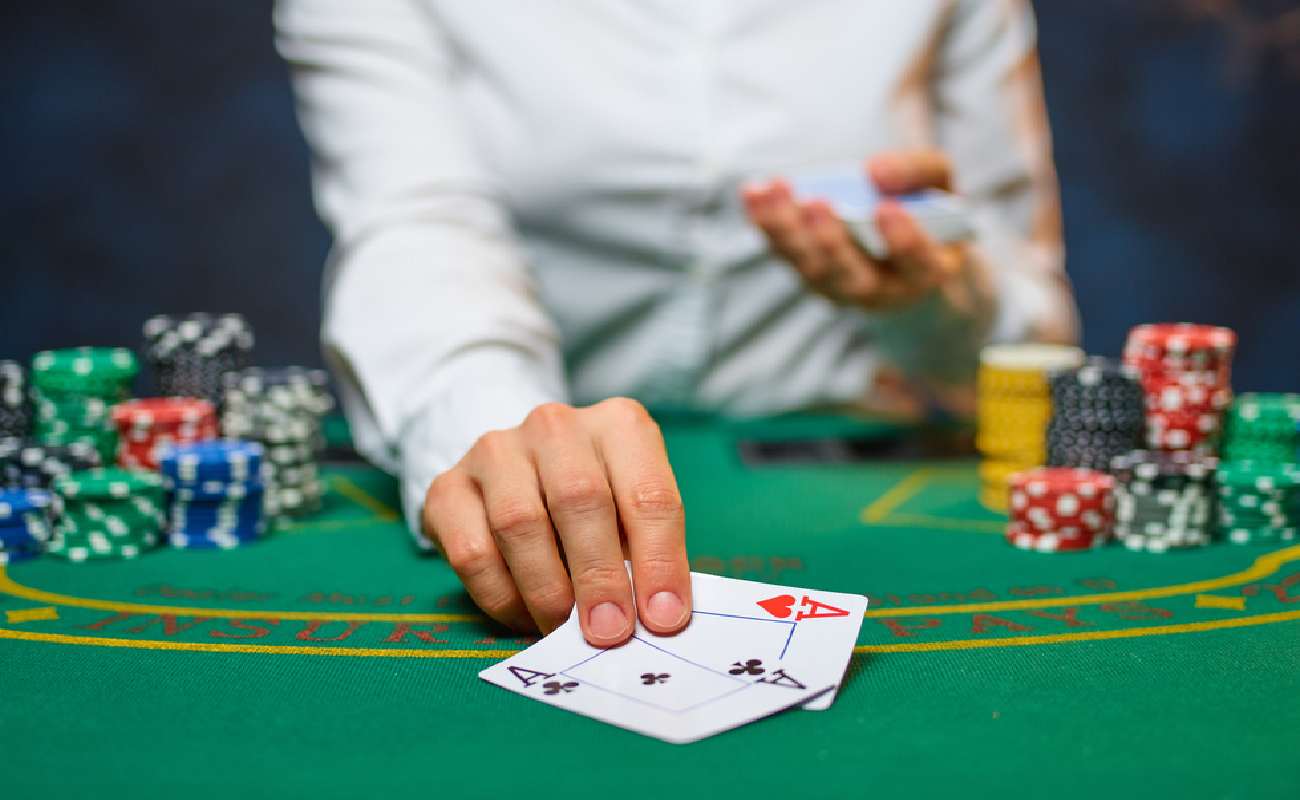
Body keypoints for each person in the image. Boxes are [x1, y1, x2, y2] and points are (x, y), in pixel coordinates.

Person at [275, 0, 1077, 647]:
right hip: (553, 450)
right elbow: (416, 226)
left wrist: (932, 292)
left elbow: (1035, 327)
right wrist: (496, 430)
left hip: (859, 459)